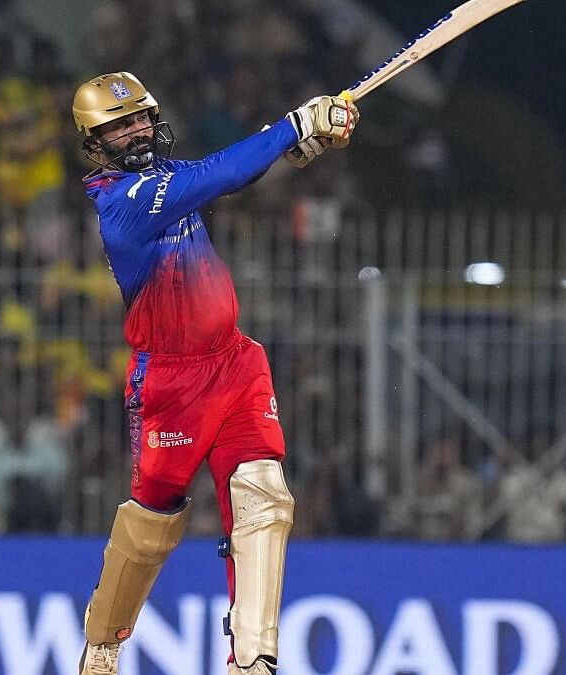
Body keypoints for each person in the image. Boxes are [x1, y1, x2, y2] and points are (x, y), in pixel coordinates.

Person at [71, 72, 358, 675]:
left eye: (142, 117)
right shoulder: (121, 206)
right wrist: (294, 127)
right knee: (153, 518)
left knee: (264, 499)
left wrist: (298, 146)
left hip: (234, 362)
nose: (138, 130)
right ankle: (103, 641)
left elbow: (222, 176)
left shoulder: (166, 182)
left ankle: (252, 658)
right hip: (169, 386)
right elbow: (217, 176)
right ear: (95, 144)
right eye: (119, 126)